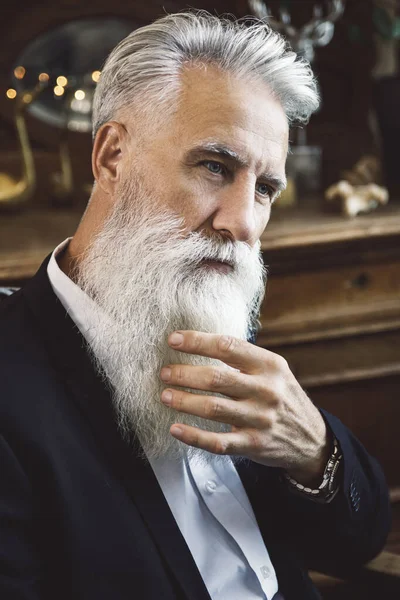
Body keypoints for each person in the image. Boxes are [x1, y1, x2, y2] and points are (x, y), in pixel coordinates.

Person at [0, 11, 391, 600]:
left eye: (265, 190)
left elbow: (359, 541)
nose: (243, 224)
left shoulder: (205, 311)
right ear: (111, 157)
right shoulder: (14, 396)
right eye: (215, 166)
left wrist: (313, 452)